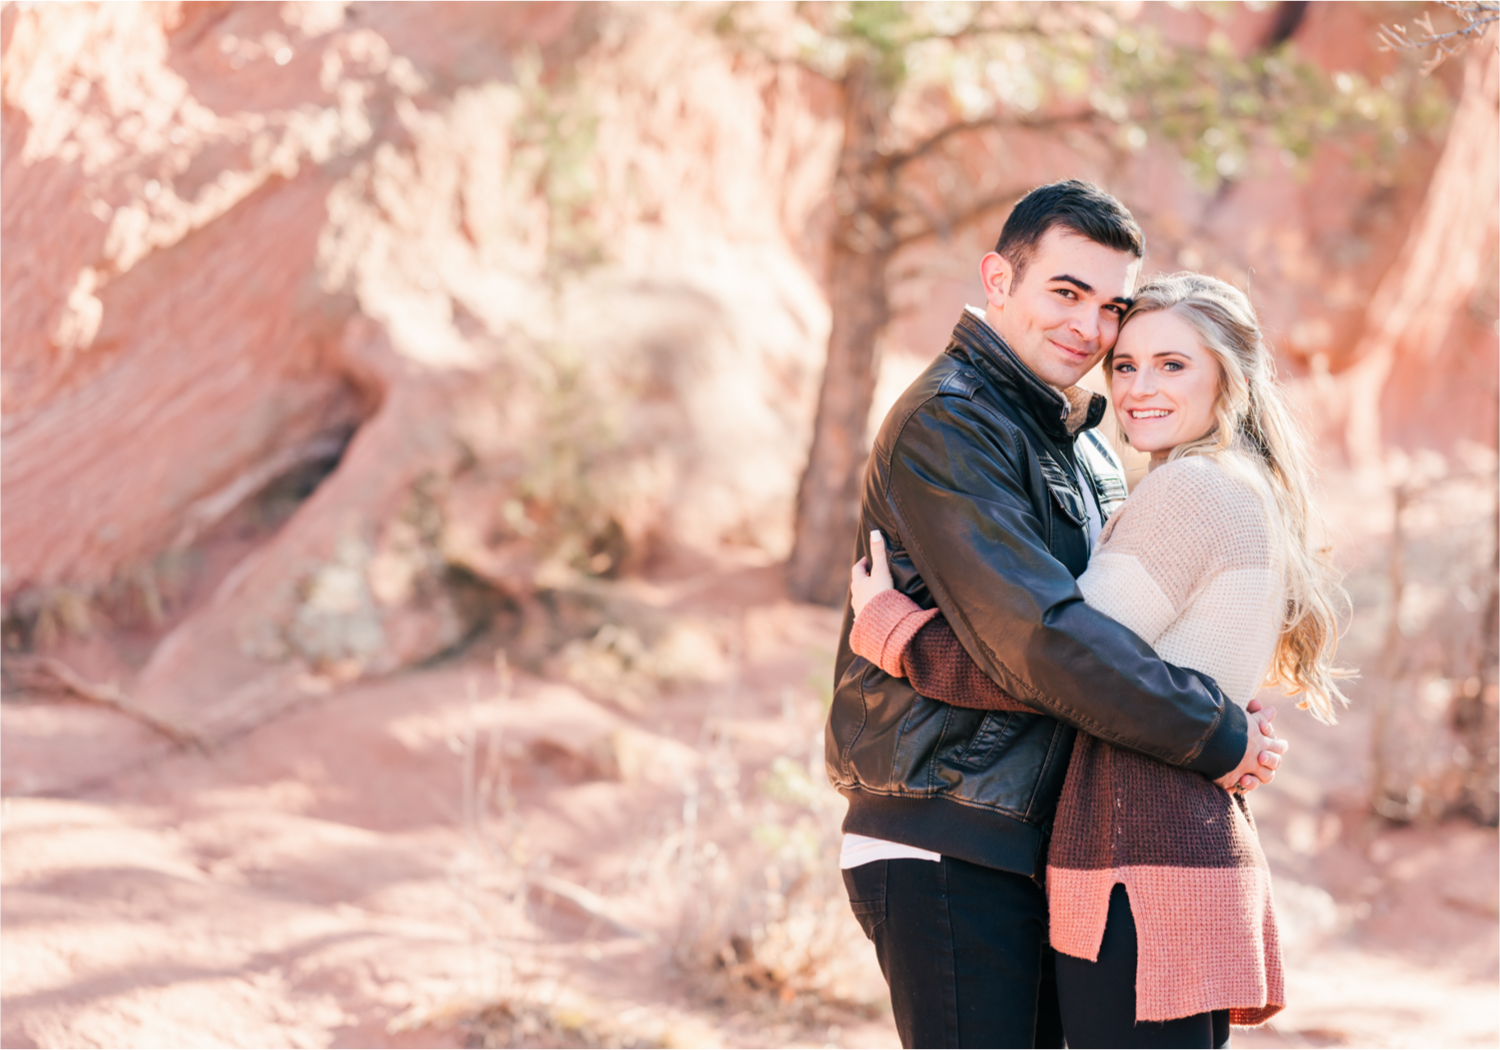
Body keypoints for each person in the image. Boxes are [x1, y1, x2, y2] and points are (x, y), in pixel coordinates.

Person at [824, 180, 1289, 1049]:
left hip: (1040, 841)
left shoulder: (1084, 446)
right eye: (1065, 292)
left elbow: (1120, 650)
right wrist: (1213, 731)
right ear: (999, 279)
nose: (1089, 327)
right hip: (950, 823)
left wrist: (1204, 694)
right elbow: (1041, 645)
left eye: (1110, 306)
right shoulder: (954, 422)